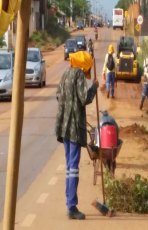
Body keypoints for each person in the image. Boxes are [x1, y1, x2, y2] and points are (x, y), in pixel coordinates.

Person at [55, 51, 99, 220]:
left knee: (69, 166)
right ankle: (72, 206)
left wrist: (68, 106)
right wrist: (94, 87)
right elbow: (84, 98)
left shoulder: (66, 73)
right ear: (84, 65)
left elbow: (58, 95)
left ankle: (69, 201)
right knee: (73, 167)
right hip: (73, 128)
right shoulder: (79, 74)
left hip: (64, 127)